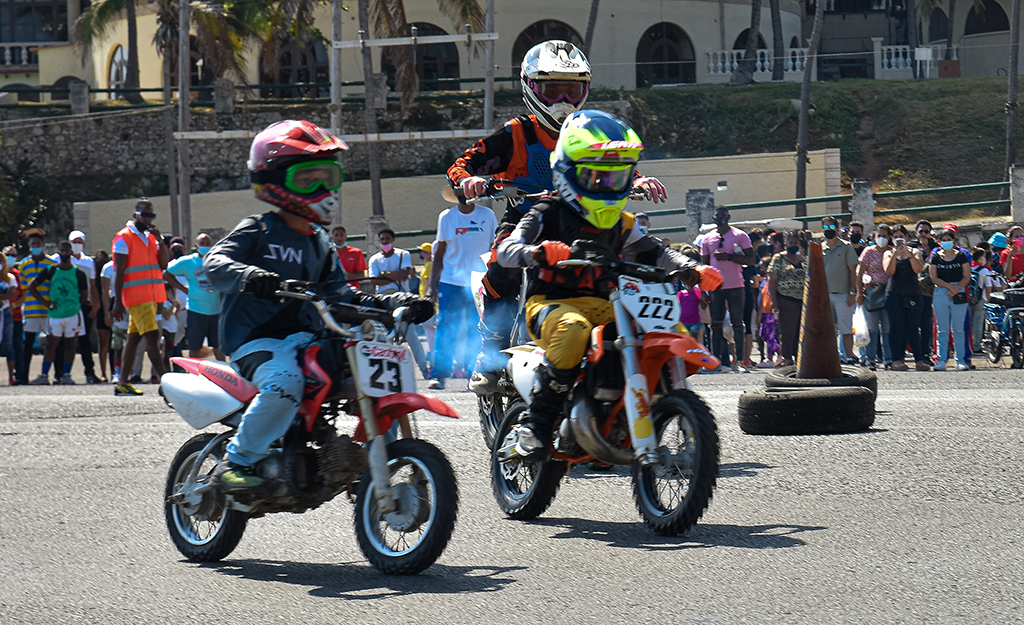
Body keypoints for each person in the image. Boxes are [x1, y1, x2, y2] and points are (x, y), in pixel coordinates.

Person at [203, 119, 433, 491]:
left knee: (359, 369)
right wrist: (250, 277)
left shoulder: (320, 244)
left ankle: (358, 462)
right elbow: (215, 263)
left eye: (329, 176)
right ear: (274, 180)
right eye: (309, 179)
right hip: (258, 344)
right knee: (286, 382)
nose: (325, 188)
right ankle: (237, 461)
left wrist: (392, 303)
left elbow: (343, 296)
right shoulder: (258, 229)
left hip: (309, 342)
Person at [449, 40, 668, 394]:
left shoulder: (593, 129)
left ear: (585, 89)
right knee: (500, 265)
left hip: (589, 222)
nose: (564, 100)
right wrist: (471, 181)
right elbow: (462, 165)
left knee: (630, 263)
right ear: (531, 88)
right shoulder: (516, 132)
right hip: (528, 220)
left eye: (572, 88)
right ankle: (489, 351)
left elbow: (619, 163)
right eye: (553, 90)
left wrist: (639, 180)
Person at [493, 110, 701, 460]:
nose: (606, 186)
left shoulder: (622, 222)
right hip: (550, 305)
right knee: (573, 331)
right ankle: (537, 426)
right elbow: (506, 251)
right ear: (568, 174)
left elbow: (656, 252)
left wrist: (689, 267)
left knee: (668, 329)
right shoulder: (547, 212)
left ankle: (645, 407)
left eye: (616, 177)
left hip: (609, 305)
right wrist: (538, 252)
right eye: (595, 177)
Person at [426, 196, 498, 390]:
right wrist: (432, 285)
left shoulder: (487, 215)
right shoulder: (447, 217)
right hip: (451, 282)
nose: (463, 195)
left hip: (478, 281)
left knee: (478, 329)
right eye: (458, 191)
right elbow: (439, 254)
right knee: (446, 328)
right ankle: (439, 374)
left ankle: (473, 373)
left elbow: (495, 247)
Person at [111, 198, 170, 396]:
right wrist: (118, 302)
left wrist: (160, 240)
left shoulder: (150, 237)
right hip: (136, 297)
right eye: (144, 214)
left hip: (151, 297)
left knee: (134, 339)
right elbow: (119, 272)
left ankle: (122, 382)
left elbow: (163, 264)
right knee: (153, 339)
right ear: (135, 214)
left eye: (151, 215)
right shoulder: (123, 237)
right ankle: (167, 383)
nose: (148, 219)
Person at [700, 206, 754, 371]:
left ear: (728, 217)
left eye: (724, 215)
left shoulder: (740, 235)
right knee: (715, 324)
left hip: (736, 286)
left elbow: (751, 259)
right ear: (714, 218)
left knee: (738, 323)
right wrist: (703, 291)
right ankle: (715, 361)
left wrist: (729, 257)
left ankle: (739, 361)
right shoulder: (707, 239)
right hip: (715, 287)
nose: (721, 218)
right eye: (718, 216)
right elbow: (703, 266)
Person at [27, 240, 89, 385]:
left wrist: (77, 305)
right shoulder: (51, 270)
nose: (65, 253)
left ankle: (66, 374)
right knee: (51, 344)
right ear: (59, 252)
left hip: (72, 313)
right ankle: (43, 375)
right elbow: (32, 286)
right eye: (62, 250)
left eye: (67, 250)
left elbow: (85, 294)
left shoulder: (78, 273)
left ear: (71, 252)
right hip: (55, 314)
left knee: (70, 344)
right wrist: (45, 302)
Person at [165, 232, 225, 360]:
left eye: (207, 243)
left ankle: (223, 377)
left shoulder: (218, 261)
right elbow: (166, 273)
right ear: (196, 246)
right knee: (195, 347)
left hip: (216, 311)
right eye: (202, 243)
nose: (205, 246)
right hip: (196, 311)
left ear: (212, 245)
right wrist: (182, 288)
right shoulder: (187, 261)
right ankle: (195, 376)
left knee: (219, 347)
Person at [883, 225, 929, 371]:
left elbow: (918, 269)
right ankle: (896, 359)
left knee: (913, 327)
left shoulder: (915, 252)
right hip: (894, 294)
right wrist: (896, 255)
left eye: (901, 236)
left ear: (907, 237)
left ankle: (919, 360)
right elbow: (889, 271)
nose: (898, 239)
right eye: (895, 237)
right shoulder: (888, 254)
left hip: (912, 293)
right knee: (897, 327)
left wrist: (908, 254)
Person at [16, 229, 56, 385]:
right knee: (28, 346)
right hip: (31, 310)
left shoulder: (51, 264)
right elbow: (24, 289)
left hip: (48, 310)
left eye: (38, 244)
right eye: (33, 244)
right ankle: (23, 376)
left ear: (43, 245)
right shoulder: (24, 265)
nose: (35, 246)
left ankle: (56, 374)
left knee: (52, 344)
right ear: (29, 245)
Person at [63, 230, 103, 384]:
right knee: (65, 341)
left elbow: (92, 284)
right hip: (68, 304)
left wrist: (96, 303)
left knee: (85, 340)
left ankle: (90, 373)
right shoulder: (62, 260)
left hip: (84, 305)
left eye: (79, 242)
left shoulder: (88, 262)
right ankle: (62, 373)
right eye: (74, 242)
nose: (76, 245)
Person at [930, 228, 971, 371]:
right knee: (942, 329)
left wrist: (957, 288)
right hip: (941, 291)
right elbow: (933, 277)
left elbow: (967, 276)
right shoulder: (935, 256)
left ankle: (960, 360)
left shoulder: (961, 256)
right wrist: (949, 287)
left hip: (958, 291)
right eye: (944, 240)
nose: (946, 242)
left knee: (959, 329)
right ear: (940, 242)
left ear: (954, 240)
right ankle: (941, 360)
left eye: (949, 239)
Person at [821, 215, 860, 364]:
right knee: (828, 329)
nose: (829, 230)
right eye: (825, 227)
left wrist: (852, 292)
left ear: (837, 229)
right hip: (824, 295)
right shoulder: (819, 248)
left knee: (846, 329)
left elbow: (853, 271)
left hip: (843, 294)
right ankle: (831, 357)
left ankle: (849, 356)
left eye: (831, 227)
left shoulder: (846, 247)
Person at [856, 225, 892, 370]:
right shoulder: (868, 252)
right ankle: (870, 359)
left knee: (887, 328)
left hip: (888, 292)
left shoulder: (891, 252)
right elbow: (860, 273)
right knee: (872, 328)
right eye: (879, 236)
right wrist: (859, 293)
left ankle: (888, 358)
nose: (882, 238)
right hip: (871, 292)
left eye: (885, 235)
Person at [767, 231, 805, 367]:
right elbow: (772, 280)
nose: (792, 245)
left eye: (795, 243)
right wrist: (774, 301)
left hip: (802, 301)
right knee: (788, 330)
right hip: (785, 300)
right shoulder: (778, 258)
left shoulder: (803, 260)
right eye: (790, 242)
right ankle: (787, 358)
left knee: (800, 331)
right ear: (786, 244)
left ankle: (798, 357)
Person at [368, 229, 414, 294]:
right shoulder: (374, 259)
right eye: (382, 239)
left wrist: (385, 274)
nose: (385, 241)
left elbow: (404, 275)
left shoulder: (403, 254)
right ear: (379, 240)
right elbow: (374, 281)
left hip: (402, 294)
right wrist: (396, 276)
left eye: (387, 238)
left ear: (393, 239)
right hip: (382, 296)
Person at [93, 249, 112, 381]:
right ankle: (103, 373)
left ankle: (116, 371)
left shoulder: (110, 271)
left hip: (114, 307)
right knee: (103, 342)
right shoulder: (95, 276)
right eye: (98, 259)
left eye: (103, 258)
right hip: (100, 309)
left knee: (115, 344)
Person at [0, 253, 18, 385]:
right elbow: (8, 294)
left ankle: (11, 376)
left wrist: (2, 297)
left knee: (8, 345)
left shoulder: (10, 278)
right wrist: (3, 295)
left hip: (5, 312)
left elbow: (13, 294)